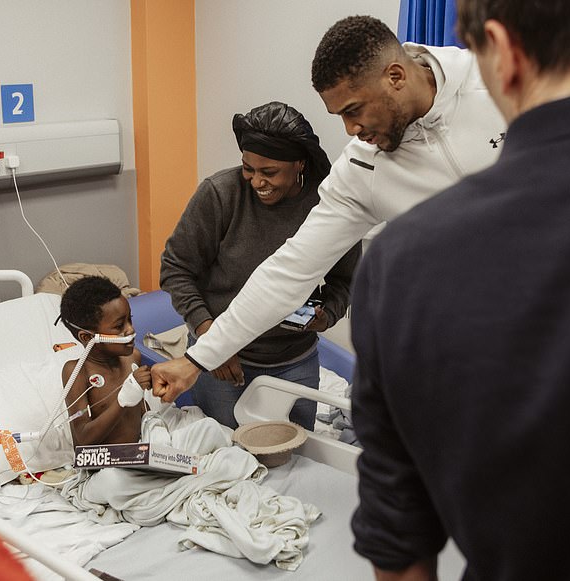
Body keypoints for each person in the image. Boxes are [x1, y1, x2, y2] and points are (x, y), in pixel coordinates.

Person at [149, 15, 507, 403]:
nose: (350, 130)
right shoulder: (361, 168)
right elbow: (288, 271)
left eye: (354, 110)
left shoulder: (501, 81)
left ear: (396, 77)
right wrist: (199, 357)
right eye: (340, 116)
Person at [349, 1, 570, 579]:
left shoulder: (402, 264)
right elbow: (290, 266)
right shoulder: (361, 174)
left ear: (502, 53)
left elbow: (399, 543)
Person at [160, 101, 361, 430]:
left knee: (296, 460)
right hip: (225, 364)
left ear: (299, 163)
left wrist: (325, 314)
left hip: (294, 360)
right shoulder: (221, 194)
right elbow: (175, 269)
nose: (256, 181)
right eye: (247, 168)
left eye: (269, 172)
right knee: (229, 456)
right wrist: (214, 342)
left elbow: (346, 280)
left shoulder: (328, 207)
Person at [59, 275, 151, 446]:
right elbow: (83, 440)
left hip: (141, 451)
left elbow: (140, 407)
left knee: (208, 429)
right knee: (112, 476)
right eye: (119, 326)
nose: (130, 329)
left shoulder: (132, 357)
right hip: (109, 464)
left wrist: (155, 427)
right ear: (88, 337)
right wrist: (122, 401)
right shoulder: (77, 372)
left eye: (129, 319)